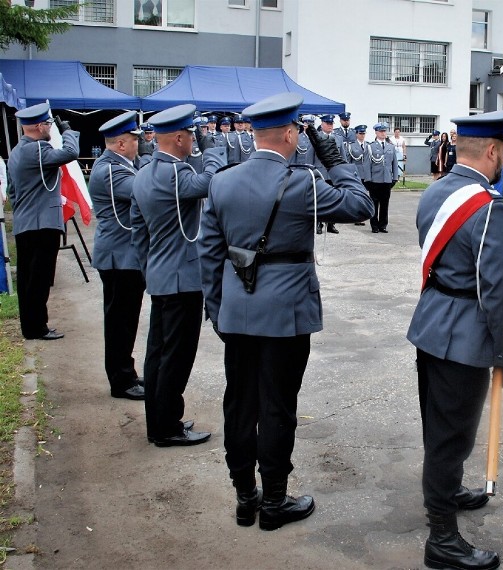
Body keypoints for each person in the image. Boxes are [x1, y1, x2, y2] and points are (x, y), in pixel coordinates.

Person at [199, 92, 373, 531]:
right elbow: (360, 205)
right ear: (292, 134)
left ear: (256, 136)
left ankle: (245, 498)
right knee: (277, 405)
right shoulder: (304, 182)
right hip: (286, 312)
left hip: (237, 311)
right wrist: (335, 158)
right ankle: (274, 502)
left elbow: (209, 254)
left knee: (239, 404)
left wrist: (218, 311)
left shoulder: (221, 181)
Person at [407, 109, 503, 570]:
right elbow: (500, 294)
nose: (501, 163)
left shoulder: (434, 191)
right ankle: (442, 538)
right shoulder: (489, 209)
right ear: (492, 151)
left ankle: (448, 490)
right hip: (465, 337)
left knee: (439, 427)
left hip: (431, 324)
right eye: (502, 155)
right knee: (450, 439)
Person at [130, 104, 227, 447]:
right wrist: (212, 149)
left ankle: (159, 423)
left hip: (161, 275)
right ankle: (168, 427)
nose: (192, 142)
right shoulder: (177, 175)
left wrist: (150, 268)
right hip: (183, 279)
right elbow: (213, 180)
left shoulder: (142, 174)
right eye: (190, 135)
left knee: (157, 353)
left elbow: (138, 233)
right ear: (178, 137)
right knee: (176, 357)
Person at [7, 102, 80, 340]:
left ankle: (32, 327)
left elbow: (12, 192)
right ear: (39, 126)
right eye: (48, 124)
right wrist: (68, 131)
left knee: (29, 280)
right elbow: (71, 153)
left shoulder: (17, 151)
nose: (50, 128)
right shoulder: (37, 149)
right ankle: (37, 327)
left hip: (26, 223)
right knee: (39, 279)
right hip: (41, 225)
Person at [88, 111, 147, 401]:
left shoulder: (119, 164)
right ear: (122, 144)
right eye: (135, 140)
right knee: (120, 323)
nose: (140, 144)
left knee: (125, 321)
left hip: (123, 255)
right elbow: (145, 192)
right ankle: (122, 381)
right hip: (119, 257)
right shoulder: (111, 171)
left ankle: (127, 373)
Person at [365, 122, 398, 233]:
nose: (383, 133)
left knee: (385, 204)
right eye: (381, 131)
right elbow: (367, 164)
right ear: (376, 132)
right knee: (374, 203)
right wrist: (368, 179)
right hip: (375, 179)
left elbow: (394, 163)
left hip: (387, 179)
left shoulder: (390, 146)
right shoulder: (370, 147)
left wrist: (395, 177)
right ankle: (374, 225)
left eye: (384, 131)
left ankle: (383, 225)